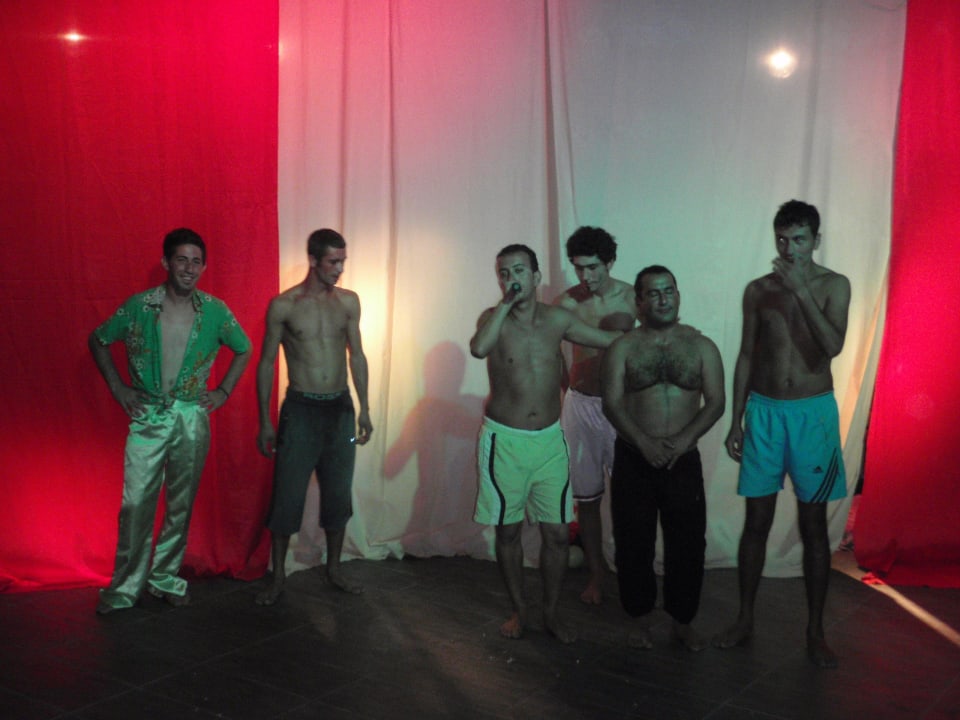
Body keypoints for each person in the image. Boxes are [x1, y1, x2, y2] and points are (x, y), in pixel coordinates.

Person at [714, 200, 850, 668]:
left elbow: (832, 346)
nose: (789, 249)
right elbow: (746, 356)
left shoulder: (834, 285)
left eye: (799, 240)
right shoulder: (758, 290)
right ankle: (744, 619)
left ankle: (815, 631)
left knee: (813, 524)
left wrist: (801, 292)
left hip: (812, 415)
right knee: (756, 520)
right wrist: (736, 419)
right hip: (766, 412)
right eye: (783, 239)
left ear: (816, 240)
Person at [89, 228, 252, 614]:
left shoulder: (215, 311)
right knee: (136, 503)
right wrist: (119, 389)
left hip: (191, 417)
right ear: (166, 262)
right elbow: (98, 339)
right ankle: (124, 587)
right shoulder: (140, 306)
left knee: (181, 504)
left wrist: (222, 392)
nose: (189, 268)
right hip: (147, 415)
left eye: (196, 262)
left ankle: (164, 578)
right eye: (182, 259)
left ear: (204, 267)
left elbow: (243, 349)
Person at [470, 244, 621, 644]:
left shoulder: (557, 319)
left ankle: (551, 612)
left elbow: (607, 340)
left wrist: (655, 335)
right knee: (508, 533)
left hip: (550, 441)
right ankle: (519, 610)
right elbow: (478, 348)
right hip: (506, 441)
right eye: (504, 273)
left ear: (536, 276)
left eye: (519, 271)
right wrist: (505, 304)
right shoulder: (492, 319)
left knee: (556, 534)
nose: (511, 278)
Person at [601, 266, 724, 650]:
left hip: (682, 459)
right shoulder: (624, 347)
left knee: (687, 543)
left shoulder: (702, 346)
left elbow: (716, 401)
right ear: (639, 302)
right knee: (632, 541)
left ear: (678, 294)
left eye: (668, 290)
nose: (663, 299)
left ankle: (682, 621)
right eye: (653, 293)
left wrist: (684, 440)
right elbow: (611, 403)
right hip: (634, 456)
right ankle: (639, 618)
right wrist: (643, 442)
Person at [255, 228, 372, 605]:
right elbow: (267, 363)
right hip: (301, 409)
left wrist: (365, 408)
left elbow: (357, 355)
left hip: (339, 409)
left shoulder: (348, 302)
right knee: (287, 495)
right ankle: (278, 576)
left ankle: (334, 568)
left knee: (338, 492)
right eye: (333, 262)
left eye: (342, 261)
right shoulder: (284, 305)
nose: (339, 269)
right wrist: (264, 420)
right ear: (313, 260)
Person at [554, 227, 636, 605]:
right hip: (581, 405)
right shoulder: (567, 303)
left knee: (629, 497)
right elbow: (551, 350)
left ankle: (631, 570)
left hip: (621, 406)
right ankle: (596, 575)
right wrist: (566, 390)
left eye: (593, 267)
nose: (585, 276)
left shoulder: (632, 298)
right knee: (585, 498)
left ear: (610, 262)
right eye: (579, 268)